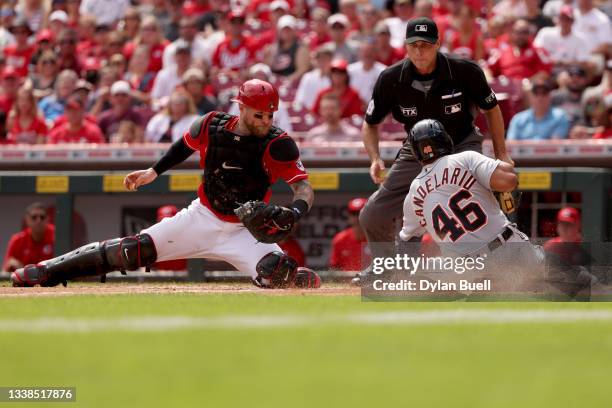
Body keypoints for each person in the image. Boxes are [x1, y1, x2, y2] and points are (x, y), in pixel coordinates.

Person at [12, 79, 320, 290]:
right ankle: (46, 271)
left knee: (279, 276)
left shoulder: (278, 143)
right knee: (132, 250)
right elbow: (183, 146)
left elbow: (304, 189)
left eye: (269, 115)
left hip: (244, 230)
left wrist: (294, 212)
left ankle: (297, 276)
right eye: (259, 115)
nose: (266, 121)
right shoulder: (211, 124)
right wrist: (154, 171)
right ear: (241, 107)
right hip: (203, 216)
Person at [353, 17, 511, 285]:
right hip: (417, 151)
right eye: (413, 45)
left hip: (461, 143)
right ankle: (385, 267)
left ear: (438, 44)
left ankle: (503, 260)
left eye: (426, 45)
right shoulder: (391, 79)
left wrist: (501, 153)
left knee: (473, 200)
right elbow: (370, 125)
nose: (419, 51)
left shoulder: (465, 71)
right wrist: (375, 158)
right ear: (405, 46)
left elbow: (492, 110)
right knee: (372, 214)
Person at [396, 119, 594, 299]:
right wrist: (504, 171)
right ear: (445, 140)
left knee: (483, 322)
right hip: (507, 250)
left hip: (465, 269)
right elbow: (509, 181)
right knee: (580, 284)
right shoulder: (464, 159)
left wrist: (407, 276)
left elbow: (407, 241)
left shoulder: (414, 191)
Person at [2, 203, 55, 273]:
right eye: (34, 217)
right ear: (27, 220)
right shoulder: (17, 240)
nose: (38, 221)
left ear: (48, 219)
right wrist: (13, 264)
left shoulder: (57, 235)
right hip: (25, 279)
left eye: (42, 217)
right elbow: (5, 270)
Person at [329, 198, 371, 272]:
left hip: (372, 282)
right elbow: (334, 270)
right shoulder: (340, 239)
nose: (357, 217)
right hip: (347, 283)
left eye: (361, 213)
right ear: (349, 217)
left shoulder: (378, 237)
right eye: (354, 213)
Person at [152, 205, 187, 271]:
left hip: (185, 277)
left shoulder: (187, 238)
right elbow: (145, 268)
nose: (165, 224)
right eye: (162, 221)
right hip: (161, 278)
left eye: (169, 221)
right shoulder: (153, 240)